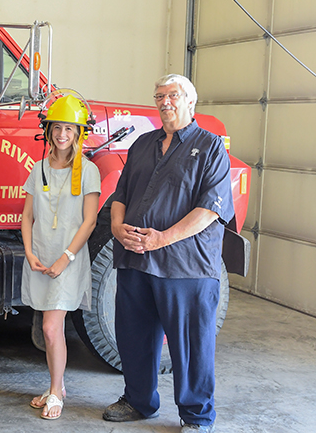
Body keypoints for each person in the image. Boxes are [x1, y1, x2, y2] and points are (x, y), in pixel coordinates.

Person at [102, 74, 233, 433]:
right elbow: (121, 194)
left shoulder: (210, 147)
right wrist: (116, 227)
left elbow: (210, 210)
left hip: (185, 265)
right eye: (159, 96)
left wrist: (162, 239)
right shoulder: (143, 144)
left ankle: (196, 416)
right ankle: (139, 401)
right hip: (135, 259)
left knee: (190, 345)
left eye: (173, 95)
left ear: (191, 101)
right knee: (134, 337)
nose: (165, 102)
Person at [21, 95, 100, 420]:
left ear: (79, 132)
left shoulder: (89, 171)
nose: (62, 135)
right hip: (40, 258)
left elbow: (90, 221)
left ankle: (56, 392)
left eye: (69, 128)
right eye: (57, 128)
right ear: (48, 131)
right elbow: (27, 216)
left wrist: (65, 258)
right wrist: (28, 252)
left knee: (52, 329)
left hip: (67, 260)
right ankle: (58, 384)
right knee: (47, 327)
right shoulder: (38, 168)